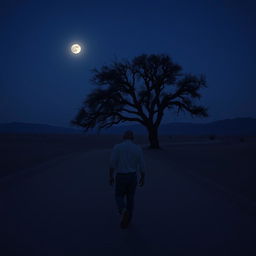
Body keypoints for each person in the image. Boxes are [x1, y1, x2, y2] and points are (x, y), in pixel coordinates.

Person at [109, 130, 146, 229]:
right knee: (130, 197)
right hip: (132, 176)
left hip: (121, 175)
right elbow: (142, 164)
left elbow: (112, 162)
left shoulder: (117, 147)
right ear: (132, 138)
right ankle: (129, 219)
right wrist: (143, 176)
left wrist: (110, 175)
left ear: (123, 137)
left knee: (118, 195)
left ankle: (123, 210)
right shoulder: (137, 148)